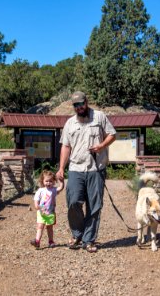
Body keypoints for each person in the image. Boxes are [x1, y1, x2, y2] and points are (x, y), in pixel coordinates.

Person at [56, 91, 116, 253]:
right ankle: (77, 234)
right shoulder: (69, 123)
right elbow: (66, 146)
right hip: (75, 168)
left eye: (81, 104)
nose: (79, 107)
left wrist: (102, 146)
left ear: (86, 102)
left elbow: (112, 134)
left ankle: (89, 240)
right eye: (75, 105)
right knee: (73, 202)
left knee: (94, 206)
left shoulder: (100, 117)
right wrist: (61, 168)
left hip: (96, 169)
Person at [30, 170, 64, 249]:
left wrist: (62, 181)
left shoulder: (53, 190)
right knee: (40, 226)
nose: (48, 183)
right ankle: (37, 241)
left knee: (49, 227)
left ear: (54, 181)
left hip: (50, 213)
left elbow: (61, 188)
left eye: (50, 181)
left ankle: (51, 241)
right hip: (41, 213)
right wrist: (37, 206)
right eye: (46, 181)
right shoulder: (40, 191)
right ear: (43, 181)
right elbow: (36, 201)